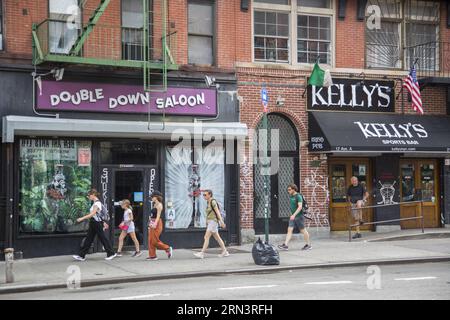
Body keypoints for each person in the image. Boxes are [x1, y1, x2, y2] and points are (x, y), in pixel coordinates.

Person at [73, 189, 117, 261]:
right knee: (89, 239)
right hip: (94, 222)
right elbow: (98, 214)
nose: (88, 197)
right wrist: (103, 222)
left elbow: (93, 214)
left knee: (102, 238)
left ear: (93, 194)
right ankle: (81, 255)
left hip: (96, 223)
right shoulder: (95, 203)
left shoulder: (97, 203)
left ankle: (111, 253)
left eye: (89, 195)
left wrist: (81, 218)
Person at [194, 190, 229, 259]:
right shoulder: (208, 202)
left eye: (205, 195)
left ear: (210, 195)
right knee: (217, 237)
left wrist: (221, 222)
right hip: (211, 221)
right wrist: (207, 221)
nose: (204, 196)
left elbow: (217, 212)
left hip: (213, 221)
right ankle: (225, 251)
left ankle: (202, 253)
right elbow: (209, 212)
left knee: (206, 237)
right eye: (203, 195)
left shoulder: (213, 202)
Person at [278, 184, 311, 251]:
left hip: (299, 216)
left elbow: (300, 207)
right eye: (288, 190)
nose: (288, 191)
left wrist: (294, 215)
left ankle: (308, 245)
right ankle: (285, 245)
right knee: (289, 230)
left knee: (303, 230)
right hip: (293, 217)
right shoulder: (291, 196)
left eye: (289, 190)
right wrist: (292, 215)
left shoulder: (298, 196)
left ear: (294, 189)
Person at [147, 191, 173, 261]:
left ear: (156, 197)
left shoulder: (159, 205)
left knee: (154, 240)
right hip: (152, 221)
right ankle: (152, 256)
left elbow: (158, 216)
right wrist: (150, 222)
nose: (151, 198)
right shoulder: (154, 204)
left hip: (157, 223)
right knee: (150, 240)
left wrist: (155, 223)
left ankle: (167, 248)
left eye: (152, 197)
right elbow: (152, 215)